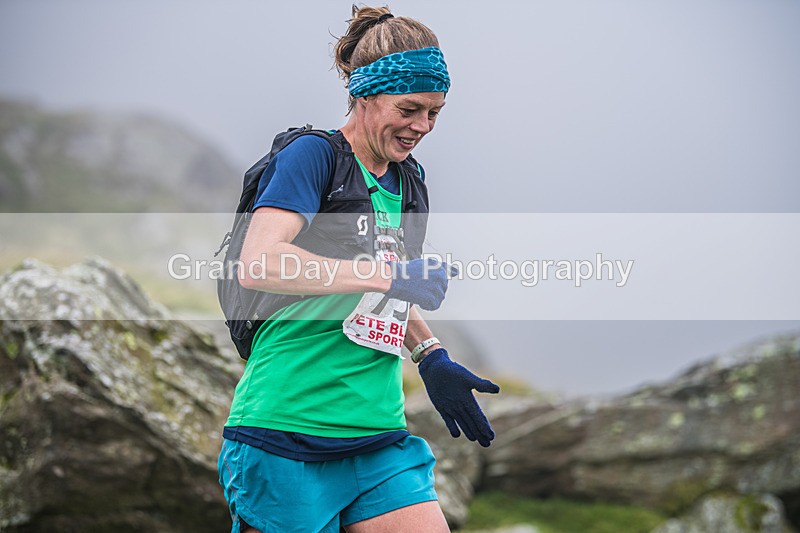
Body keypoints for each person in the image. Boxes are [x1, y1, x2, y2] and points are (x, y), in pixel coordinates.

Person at [217, 6, 500, 532]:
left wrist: (430, 354)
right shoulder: (313, 156)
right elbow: (260, 262)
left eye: (434, 112)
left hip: (377, 436)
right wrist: (386, 275)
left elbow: (389, 290)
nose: (422, 126)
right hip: (285, 430)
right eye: (409, 108)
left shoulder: (409, 182)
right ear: (365, 93)